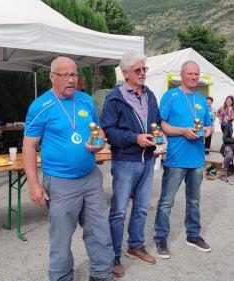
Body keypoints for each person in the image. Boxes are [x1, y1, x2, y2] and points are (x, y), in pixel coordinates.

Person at [23, 57, 114, 281]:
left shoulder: (86, 101)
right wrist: (34, 185)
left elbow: (98, 131)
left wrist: (99, 142)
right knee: (61, 239)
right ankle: (62, 277)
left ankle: (101, 274)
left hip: (91, 178)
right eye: (66, 75)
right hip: (60, 182)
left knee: (100, 231)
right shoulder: (41, 105)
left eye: (74, 74)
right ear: (52, 77)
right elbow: (29, 146)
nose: (72, 80)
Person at [100, 51, 162, 278]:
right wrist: (135, 138)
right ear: (126, 73)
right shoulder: (115, 98)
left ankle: (135, 245)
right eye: (138, 70)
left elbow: (155, 123)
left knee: (142, 208)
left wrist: (159, 135)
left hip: (148, 159)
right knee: (118, 212)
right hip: (125, 161)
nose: (143, 73)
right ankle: (113, 256)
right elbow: (108, 131)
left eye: (144, 69)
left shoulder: (150, 95)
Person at [153, 60, 213, 259]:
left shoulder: (202, 100)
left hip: (197, 160)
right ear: (182, 74)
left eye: (197, 74)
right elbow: (161, 125)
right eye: (190, 74)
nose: (194, 77)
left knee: (194, 201)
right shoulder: (171, 96)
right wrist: (182, 132)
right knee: (166, 202)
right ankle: (161, 237)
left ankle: (193, 235)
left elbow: (209, 125)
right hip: (176, 158)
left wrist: (207, 130)